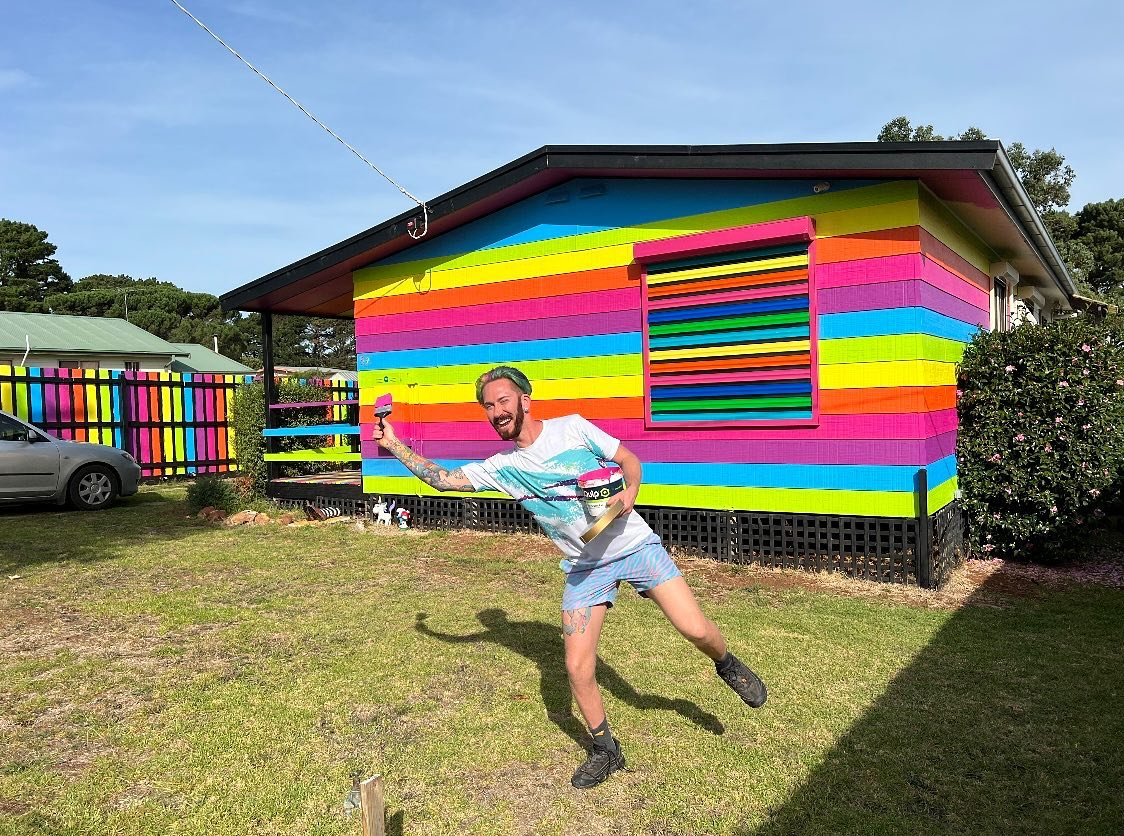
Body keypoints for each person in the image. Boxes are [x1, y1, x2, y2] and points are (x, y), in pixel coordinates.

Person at [373, 365, 767, 789]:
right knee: (577, 667)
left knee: (693, 628)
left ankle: (725, 664)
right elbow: (444, 481)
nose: (497, 411)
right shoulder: (502, 466)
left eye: (504, 401)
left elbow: (628, 460)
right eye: (488, 406)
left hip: (633, 546)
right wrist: (394, 444)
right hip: (584, 567)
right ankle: (606, 751)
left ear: (525, 400)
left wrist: (630, 491)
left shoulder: (573, 430)